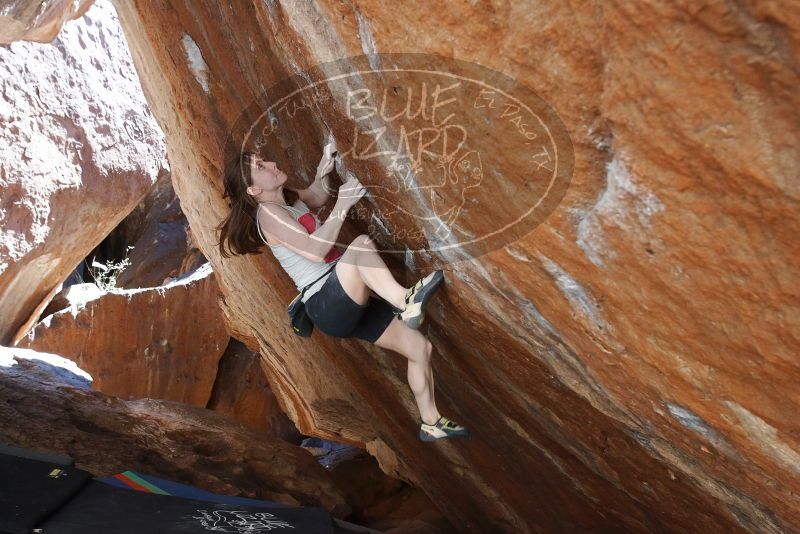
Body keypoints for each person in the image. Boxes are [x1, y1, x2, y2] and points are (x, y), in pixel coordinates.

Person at [216, 147, 470, 442]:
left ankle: (430, 422)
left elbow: (315, 196)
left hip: (346, 294)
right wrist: (343, 205)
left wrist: (325, 166)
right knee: (360, 245)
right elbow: (315, 250)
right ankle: (406, 301)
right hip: (326, 303)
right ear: (254, 189)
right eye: (261, 166)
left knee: (419, 348)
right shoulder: (268, 214)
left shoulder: (285, 198)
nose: (271, 163)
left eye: (264, 159)